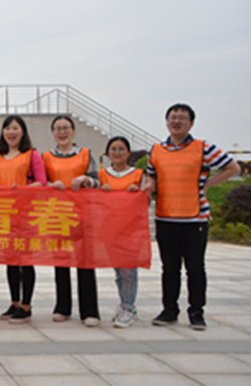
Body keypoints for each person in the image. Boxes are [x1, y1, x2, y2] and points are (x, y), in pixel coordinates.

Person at [144, 103, 239, 331]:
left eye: (182, 118)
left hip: (195, 219)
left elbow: (233, 168)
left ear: (191, 123)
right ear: (167, 122)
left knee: (195, 268)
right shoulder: (156, 150)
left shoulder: (203, 148)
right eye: (172, 117)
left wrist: (208, 184)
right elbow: (151, 176)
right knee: (169, 269)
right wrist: (147, 189)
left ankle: (196, 312)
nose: (176, 122)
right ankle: (169, 310)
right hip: (165, 217)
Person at [0, 115, 47, 324]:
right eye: (7, 128)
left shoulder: (32, 155)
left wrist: (23, 190)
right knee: (10, 260)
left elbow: (42, 182)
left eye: (15, 128)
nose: (11, 132)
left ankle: (26, 306)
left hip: (26, 214)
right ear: (3, 132)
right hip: (4, 215)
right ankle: (15, 302)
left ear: (23, 131)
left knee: (25, 260)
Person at [42, 115, 101, 326]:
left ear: (73, 131)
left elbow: (97, 181)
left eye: (66, 128)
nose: (62, 132)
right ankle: (62, 307)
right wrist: (51, 184)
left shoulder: (85, 154)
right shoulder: (46, 157)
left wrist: (85, 179)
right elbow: (41, 182)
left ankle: (90, 311)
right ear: (53, 133)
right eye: (58, 129)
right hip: (58, 215)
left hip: (82, 215)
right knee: (61, 262)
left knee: (85, 263)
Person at [98, 136, 146, 328]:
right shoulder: (102, 175)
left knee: (128, 270)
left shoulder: (138, 174)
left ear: (128, 153)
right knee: (118, 270)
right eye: (113, 149)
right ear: (108, 153)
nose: (117, 153)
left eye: (121, 149)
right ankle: (125, 304)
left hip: (130, 229)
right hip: (110, 229)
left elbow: (147, 201)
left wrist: (138, 193)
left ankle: (128, 306)